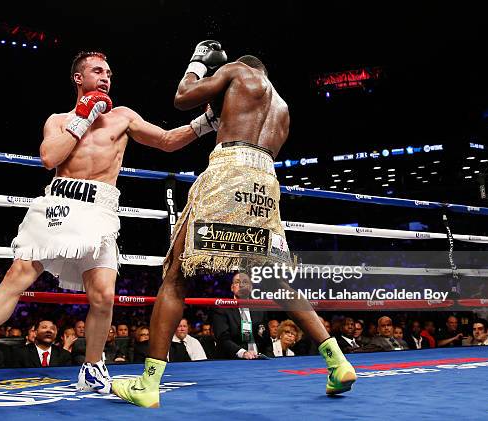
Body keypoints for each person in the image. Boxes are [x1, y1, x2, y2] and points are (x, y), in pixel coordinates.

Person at [0, 50, 209, 395]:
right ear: (78, 78)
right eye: (98, 71)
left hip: (100, 211)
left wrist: (207, 121)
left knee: (103, 295)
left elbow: (165, 141)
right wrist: (83, 118)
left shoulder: (123, 118)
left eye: (109, 73)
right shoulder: (58, 120)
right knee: (19, 275)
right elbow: (49, 158)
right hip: (58, 205)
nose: (106, 77)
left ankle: (92, 366)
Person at [112, 41, 357, 408]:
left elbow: (182, 96)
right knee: (279, 282)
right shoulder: (283, 108)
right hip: (266, 181)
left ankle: (148, 384)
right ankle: (337, 362)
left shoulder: (239, 71)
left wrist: (198, 64)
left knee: (177, 274)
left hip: (231, 171)